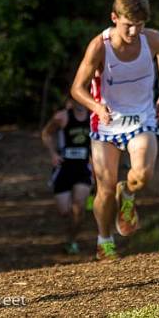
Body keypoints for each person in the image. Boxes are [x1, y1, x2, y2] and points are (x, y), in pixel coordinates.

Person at [70, 0, 159, 262]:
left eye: (140, 25)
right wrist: (96, 106)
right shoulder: (100, 46)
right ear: (114, 17)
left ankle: (127, 193)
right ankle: (104, 240)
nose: (134, 31)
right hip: (106, 123)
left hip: (142, 117)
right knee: (104, 187)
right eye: (129, 25)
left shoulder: (153, 39)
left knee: (143, 174)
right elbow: (77, 88)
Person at [41, 98, 92, 255]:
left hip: (83, 167)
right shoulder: (62, 117)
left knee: (79, 206)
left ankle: (72, 240)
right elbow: (46, 134)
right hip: (64, 167)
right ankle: (71, 232)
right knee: (65, 211)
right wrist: (53, 154)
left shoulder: (94, 117)